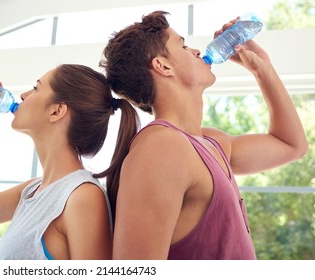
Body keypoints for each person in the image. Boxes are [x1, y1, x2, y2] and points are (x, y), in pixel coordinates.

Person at [99, 11, 308, 259]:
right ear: (163, 65)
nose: (197, 51)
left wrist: (264, 69)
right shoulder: (161, 147)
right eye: (183, 46)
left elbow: (292, 145)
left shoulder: (212, 143)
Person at [0, 63, 139, 260]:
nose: (23, 96)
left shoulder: (82, 197)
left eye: (35, 88)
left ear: (57, 111)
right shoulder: (31, 191)